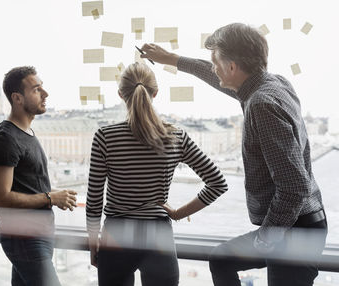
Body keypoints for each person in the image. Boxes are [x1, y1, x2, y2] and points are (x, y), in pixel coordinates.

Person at [140, 23, 327, 286]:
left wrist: (265, 239)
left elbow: (294, 186)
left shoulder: (261, 104)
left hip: (294, 233)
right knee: (222, 259)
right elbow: (209, 73)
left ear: (232, 68)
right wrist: (171, 59)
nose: (213, 68)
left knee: (221, 260)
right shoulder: (274, 84)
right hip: (300, 225)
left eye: (216, 62)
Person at [85, 62, 228, 286]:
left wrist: (93, 243)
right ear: (155, 93)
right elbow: (217, 183)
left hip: (116, 233)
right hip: (157, 234)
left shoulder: (105, 137)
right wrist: (179, 213)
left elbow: (94, 200)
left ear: (121, 95)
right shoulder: (176, 137)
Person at [0, 66, 77, 286]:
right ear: (17, 98)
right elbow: (0, 199)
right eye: (37, 89)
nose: (45, 94)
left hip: (37, 236)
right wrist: (50, 198)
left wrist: (57, 195)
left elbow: (27, 187)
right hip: (25, 239)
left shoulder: (26, 134)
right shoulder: (5, 138)